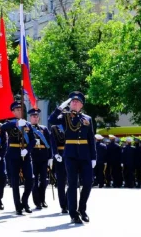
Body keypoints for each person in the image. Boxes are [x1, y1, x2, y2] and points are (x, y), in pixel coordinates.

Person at [48, 91, 97, 224]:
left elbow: (91, 138)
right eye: (72, 101)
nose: (74, 103)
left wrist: (94, 157)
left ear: (81, 105)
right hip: (70, 155)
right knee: (72, 184)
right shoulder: (65, 117)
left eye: (77, 101)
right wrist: (60, 108)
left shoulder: (88, 119)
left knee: (88, 182)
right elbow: (51, 120)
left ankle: (82, 209)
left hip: (85, 155)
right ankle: (73, 213)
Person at [0, 101, 36, 215]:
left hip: (25, 154)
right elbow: (3, 127)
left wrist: (27, 149)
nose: (19, 111)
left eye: (20, 109)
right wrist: (17, 124)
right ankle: (18, 206)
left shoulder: (28, 125)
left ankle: (25, 201)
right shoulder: (10, 123)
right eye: (17, 110)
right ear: (13, 112)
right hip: (13, 154)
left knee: (30, 179)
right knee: (15, 181)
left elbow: (33, 140)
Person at [28, 108, 51, 210]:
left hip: (43, 156)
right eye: (33, 116)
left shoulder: (44, 129)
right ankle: (37, 202)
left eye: (37, 116)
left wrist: (50, 157)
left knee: (44, 180)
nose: (35, 118)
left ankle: (43, 199)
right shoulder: (27, 128)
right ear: (30, 117)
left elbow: (49, 143)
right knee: (34, 180)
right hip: (33, 156)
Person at [50, 122, 68, 214]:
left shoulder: (72, 125)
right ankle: (63, 205)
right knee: (61, 182)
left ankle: (68, 201)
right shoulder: (54, 127)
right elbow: (53, 142)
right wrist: (55, 154)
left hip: (71, 154)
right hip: (60, 155)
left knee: (73, 181)